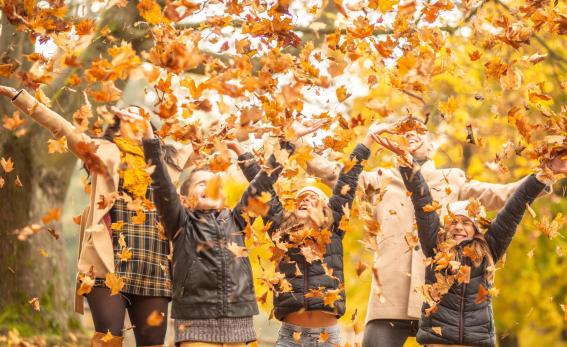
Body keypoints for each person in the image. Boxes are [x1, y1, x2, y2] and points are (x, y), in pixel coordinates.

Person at [298, 119, 551, 346]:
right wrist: (295, 141)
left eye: (419, 131)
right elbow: (338, 174)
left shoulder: (452, 179)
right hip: (390, 295)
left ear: (431, 146)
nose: (410, 134)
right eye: (404, 132)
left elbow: (502, 196)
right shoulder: (381, 179)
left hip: (442, 302)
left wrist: (546, 175)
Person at [0, 85, 192, 347]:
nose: (134, 119)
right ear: (115, 125)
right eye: (127, 116)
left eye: (140, 116)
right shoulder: (99, 149)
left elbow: (207, 141)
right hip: (105, 260)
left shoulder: (168, 160)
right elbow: (61, 126)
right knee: (108, 339)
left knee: (152, 342)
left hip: (154, 261)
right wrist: (19, 96)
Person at [376, 134, 567, 347]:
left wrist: (545, 174)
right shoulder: (435, 248)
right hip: (439, 342)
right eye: (453, 222)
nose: (458, 226)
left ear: (475, 229)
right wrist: (406, 162)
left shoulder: (488, 250)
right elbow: (422, 201)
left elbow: (515, 207)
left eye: (466, 223)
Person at [143, 118, 324, 346]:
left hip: (239, 321)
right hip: (195, 321)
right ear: (185, 199)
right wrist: (149, 139)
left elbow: (263, 182)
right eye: (201, 183)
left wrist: (288, 141)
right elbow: (161, 184)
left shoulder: (237, 220)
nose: (209, 186)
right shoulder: (180, 222)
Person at [247, 127, 375, 347]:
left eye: (312, 198)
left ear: (326, 208)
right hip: (290, 336)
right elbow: (261, 187)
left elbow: (348, 179)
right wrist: (285, 145)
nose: (304, 200)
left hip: (327, 337)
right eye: (300, 200)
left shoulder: (333, 227)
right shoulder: (282, 230)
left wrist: (368, 141)